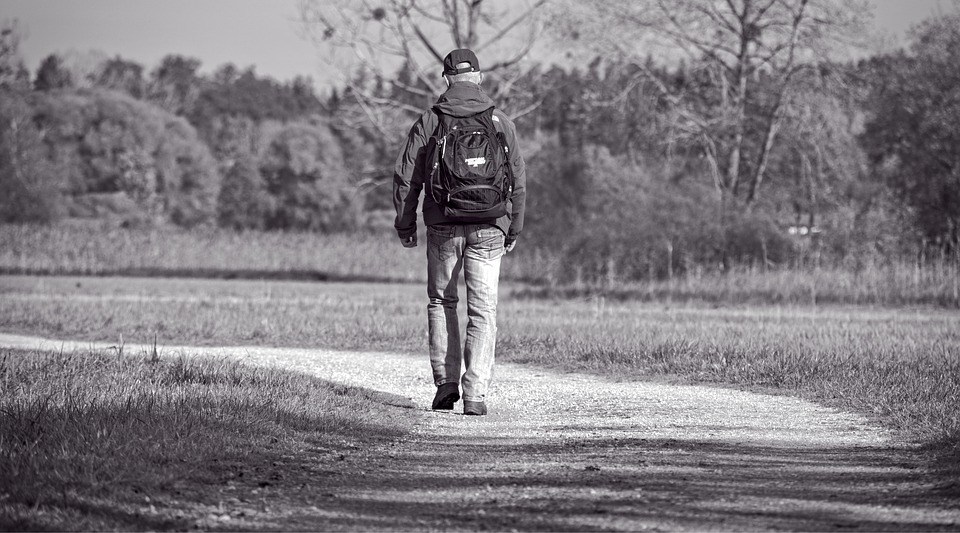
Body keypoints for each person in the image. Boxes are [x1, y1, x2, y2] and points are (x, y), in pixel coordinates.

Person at [393, 48, 526, 416]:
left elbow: (407, 176)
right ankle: (476, 394)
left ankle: (446, 385)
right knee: (483, 309)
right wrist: (514, 227)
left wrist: (406, 225)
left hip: (442, 224)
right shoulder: (500, 121)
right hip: (490, 225)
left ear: (447, 78)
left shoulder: (430, 120)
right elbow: (518, 177)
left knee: (442, 301)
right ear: (479, 78)